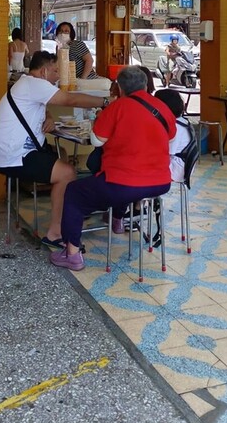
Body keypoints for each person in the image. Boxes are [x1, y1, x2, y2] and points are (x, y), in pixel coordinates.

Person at [49, 66, 175, 271]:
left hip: (123, 182)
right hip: (160, 182)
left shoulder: (118, 107)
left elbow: (96, 141)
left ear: (120, 88)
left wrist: (100, 120)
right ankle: (117, 220)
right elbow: (170, 137)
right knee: (124, 185)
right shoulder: (161, 107)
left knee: (74, 191)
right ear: (145, 85)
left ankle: (71, 254)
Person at [0, 50, 109, 250]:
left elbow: (42, 107)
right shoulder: (34, 84)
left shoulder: (26, 84)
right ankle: (55, 233)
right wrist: (106, 103)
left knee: (62, 154)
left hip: (14, 152)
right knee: (67, 172)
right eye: (55, 71)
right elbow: (70, 100)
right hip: (15, 156)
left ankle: (68, 210)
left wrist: (49, 117)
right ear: (44, 72)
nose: (57, 77)